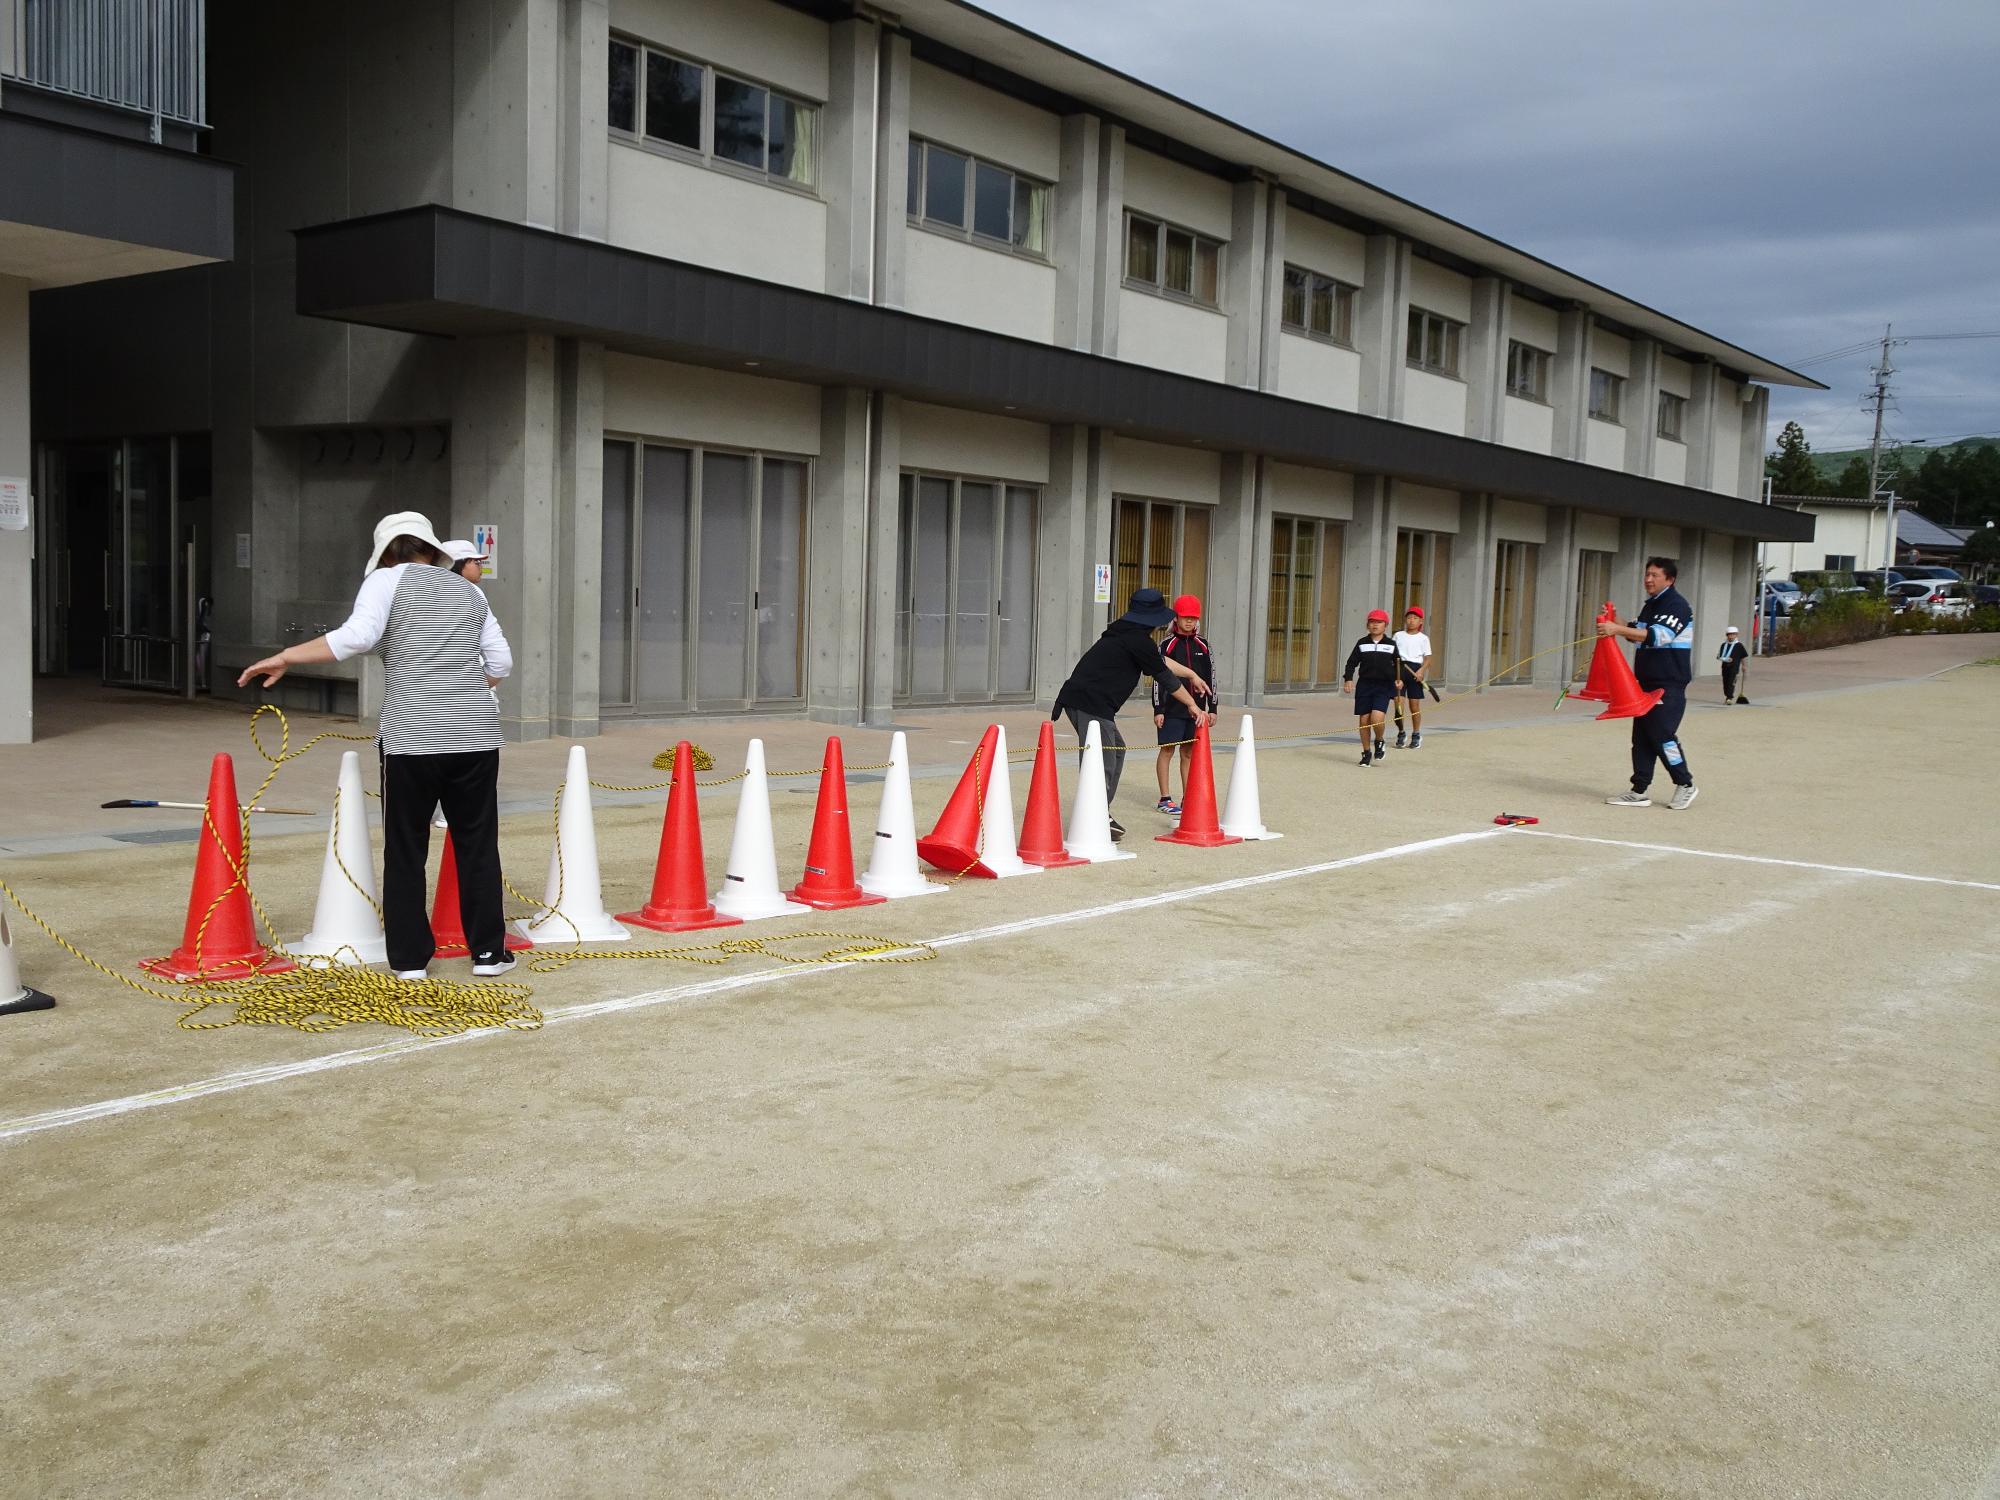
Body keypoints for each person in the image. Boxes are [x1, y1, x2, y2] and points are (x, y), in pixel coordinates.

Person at [238, 511, 516, 977]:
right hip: (476, 736)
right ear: (432, 550)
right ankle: (489, 953)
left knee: (407, 847)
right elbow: (501, 663)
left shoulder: (386, 581)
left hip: (412, 738)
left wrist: (286, 655)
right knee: (477, 843)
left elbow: (357, 638)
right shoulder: (470, 591)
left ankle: (409, 960)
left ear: (385, 552)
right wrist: (465, 689)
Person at [1053, 587, 1211, 840]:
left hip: (1086, 701)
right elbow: (1164, 676)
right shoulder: (1136, 639)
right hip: (1089, 703)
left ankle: (1099, 811)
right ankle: (1093, 816)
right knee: (1102, 758)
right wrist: (1192, 704)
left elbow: (1159, 662)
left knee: (1115, 749)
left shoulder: (1128, 633)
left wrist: (1192, 674)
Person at [1599, 556, 1697, 810]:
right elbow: (1637, 634)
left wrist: (1616, 630)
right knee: (1641, 737)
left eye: (1654, 575)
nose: (1648, 579)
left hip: (1669, 682)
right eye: (1647, 574)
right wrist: (1616, 621)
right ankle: (1639, 789)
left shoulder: (1677, 605)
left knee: (1663, 735)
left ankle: (1685, 783)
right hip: (1644, 682)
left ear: (1669, 579)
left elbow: (1656, 636)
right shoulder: (1651, 605)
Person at [1152, 594, 1217, 815]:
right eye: (1185, 617)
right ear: (1176, 618)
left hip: (1196, 710)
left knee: (1188, 753)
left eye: (1193, 618)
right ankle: (1165, 798)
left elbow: (1211, 676)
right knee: (1167, 750)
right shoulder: (1166, 645)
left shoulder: (1204, 645)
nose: (1189, 622)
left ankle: (1188, 796)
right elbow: (1158, 676)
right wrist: (1158, 709)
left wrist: (1213, 707)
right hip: (1171, 709)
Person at [1342, 609, 1399, 766]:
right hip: (1365, 685)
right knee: (1364, 720)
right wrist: (1348, 679)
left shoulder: (1391, 645)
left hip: (1383, 686)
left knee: (1376, 718)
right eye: (1372, 622)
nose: (1375, 625)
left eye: (1379, 622)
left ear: (1385, 626)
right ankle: (1366, 753)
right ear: (1367, 625)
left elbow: (1399, 665)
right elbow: (1351, 663)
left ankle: (1379, 740)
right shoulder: (1362, 643)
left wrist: (1399, 680)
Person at [1390, 605, 1433, 750]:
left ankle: (1416, 734)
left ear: (1421, 621)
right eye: (1409, 618)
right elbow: (1392, 654)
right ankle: (1401, 733)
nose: (1411, 621)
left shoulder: (1423, 638)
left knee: (1414, 707)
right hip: (1400, 670)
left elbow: (1427, 659)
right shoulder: (1398, 635)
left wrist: (1421, 671)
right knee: (1398, 705)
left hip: (1415, 671)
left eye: (1415, 618)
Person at [1717, 625, 1749, 704]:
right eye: (1729, 634)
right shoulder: (1724, 645)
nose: (1731, 636)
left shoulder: (1739, 645)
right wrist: (1723, 658)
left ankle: (1729, 697)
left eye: (1733, 634)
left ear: (1736, 635)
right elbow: (1719, 656)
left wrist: (1744, 665)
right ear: (1727, 635)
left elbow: (1743, 656)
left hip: (1734, 667)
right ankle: (1727, 695)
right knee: (1726, 682)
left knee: (1731, 682)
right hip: (1725, 667)